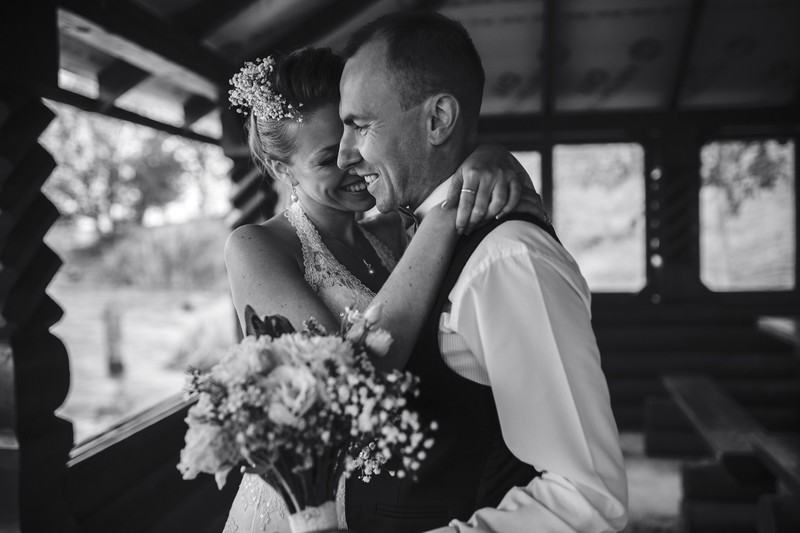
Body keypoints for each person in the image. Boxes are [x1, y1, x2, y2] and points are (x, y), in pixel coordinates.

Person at [222, 47, 545, 532]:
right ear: (282, 167)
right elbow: (338, 394)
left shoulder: (394, 231)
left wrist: (487, 156)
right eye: (328, 159)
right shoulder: (257, 246)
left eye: (358, 135)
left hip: (402, 497)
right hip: (309, 505)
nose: (353, 162)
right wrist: (445, 215)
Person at [336, 11, 629, 533]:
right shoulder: (409, 237)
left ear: (438, 119)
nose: (343, 155)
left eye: (360, 125)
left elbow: (588, 497)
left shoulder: (509, 259)